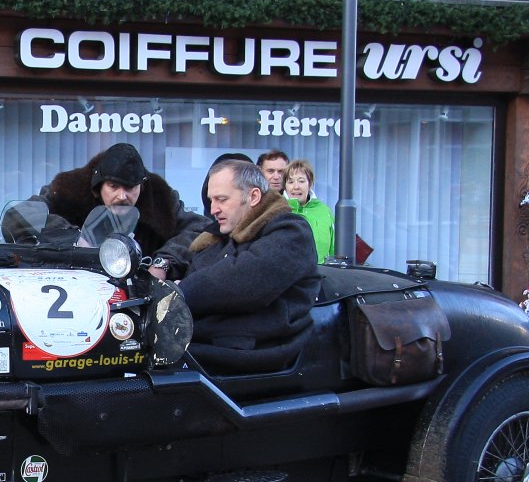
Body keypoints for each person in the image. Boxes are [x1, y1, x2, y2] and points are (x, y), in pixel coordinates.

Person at [180, 158, 320, 373]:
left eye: (221, 199)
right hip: (211, 345)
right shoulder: (218, 238)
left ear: (253, 196)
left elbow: (240, 283)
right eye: (211, 200)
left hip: (254, 352)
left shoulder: (291, 232)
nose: (213, 209)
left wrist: (176, 293)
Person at [28, 142, 207, 279]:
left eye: (130, 188)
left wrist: (163, 262)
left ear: (141, 186)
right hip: (72, 282)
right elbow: (26, 214)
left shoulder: (161, 200)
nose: (122, 196)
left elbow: (199, 228)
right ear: (98, 187)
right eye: (113, 186)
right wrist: (72, 237)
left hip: (136, 290)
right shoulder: (66, 191)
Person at [283, 158, 335, 261]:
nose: (296, 187)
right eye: (291, 182)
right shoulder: (278, 211)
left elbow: (334, 249)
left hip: (322, 270)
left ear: (310, 183)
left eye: (301, 181)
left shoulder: (324, 211)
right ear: (285, 186)